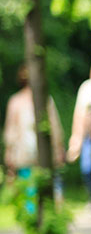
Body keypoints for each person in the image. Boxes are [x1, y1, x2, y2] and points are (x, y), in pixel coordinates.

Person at [3, 66, 65, 211]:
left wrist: (9, 153)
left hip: (27, 154)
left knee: (30, 191)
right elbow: (55, 127)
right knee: (43, 187)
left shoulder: (17, 101)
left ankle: (36, 219)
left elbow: (10, 131)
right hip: (34, 154)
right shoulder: (42, 100)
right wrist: (59, 148)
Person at [67, 62, 91, 205]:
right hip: (88, 138)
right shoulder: (87, 88)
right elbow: (79, 114)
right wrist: (76, 138)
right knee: (88, 168)